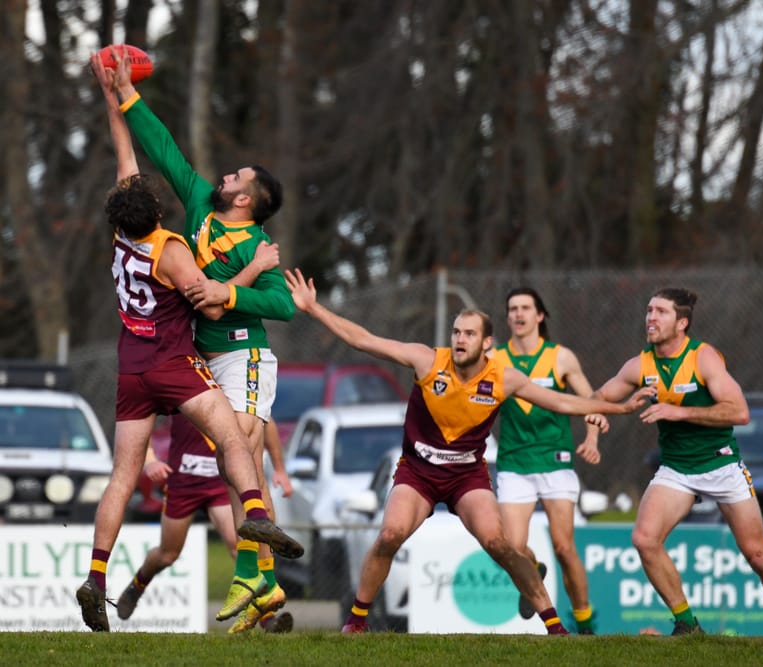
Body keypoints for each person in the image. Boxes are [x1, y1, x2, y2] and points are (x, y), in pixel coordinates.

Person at [282, 268, 654, 634]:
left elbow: (561, 402)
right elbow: (363, 339)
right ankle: (357, 621)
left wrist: (618, 408)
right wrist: (315, 309)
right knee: (390, 534)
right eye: (457, 332)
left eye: (470, 334)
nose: (460, 339)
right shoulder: (428, 360)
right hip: (418, 473)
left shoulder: (503, 378)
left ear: (487, 343)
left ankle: (555, 628)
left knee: (503, 545)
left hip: (466, 477)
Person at [77, 51, 302, 633]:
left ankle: (254, 577)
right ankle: (260, 572)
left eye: (237, 177)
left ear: (247, 199)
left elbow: (281, 306)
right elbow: (164, 148)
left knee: (232, 454)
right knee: (237, 456)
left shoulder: (258, 242)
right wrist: (125, 95)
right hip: (187, 359)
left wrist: (116, 95)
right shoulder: (191, 221)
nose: (223, 176)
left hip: (230, 355)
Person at [588, 287, 763, 637]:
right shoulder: (640, 364)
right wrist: (598, 422)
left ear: (682, 323)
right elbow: (599, 396)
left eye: (661, 312)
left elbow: (739, 412)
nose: (651, 317)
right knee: (645, 539)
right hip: (677, 469)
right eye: (648, 310)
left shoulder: (703, 357)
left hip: (721, 466)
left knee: (758, 557)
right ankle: (687, 625)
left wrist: (679, 412)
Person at [115, 416, 294, 634]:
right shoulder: (183, 383)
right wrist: (150, 459)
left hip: (219, 482)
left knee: (240, 546)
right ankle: (138, 585)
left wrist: (279, 468)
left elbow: (266, 421)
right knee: (167, 553)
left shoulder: (230, 385)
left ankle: (268, 619)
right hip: (183, 483)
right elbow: (142, 415)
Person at [492, 287, 599, 634]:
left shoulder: (561, 358)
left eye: (525, 308)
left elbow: (591, 402)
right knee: (511, 547)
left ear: (540, 316)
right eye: (512, 309)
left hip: (556, 460)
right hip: (514, 462)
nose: (518, 314)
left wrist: (592, 438)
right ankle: (534, 568)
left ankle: (584, 624)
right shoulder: (494, 359)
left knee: (564, 547)